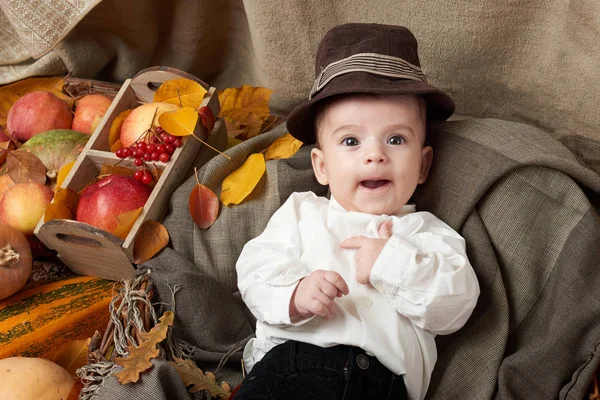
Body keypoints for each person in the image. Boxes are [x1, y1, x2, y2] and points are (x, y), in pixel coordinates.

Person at [234, 23, 480, 400]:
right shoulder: (302, 213)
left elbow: (456, 306)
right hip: (292, 368)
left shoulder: (427, 234)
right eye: (351, 140)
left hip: (383, 386)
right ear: (321, 167)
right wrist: (295, 295)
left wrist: (393, 264)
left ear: (423, 165)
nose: (375, 154)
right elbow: (254, 270)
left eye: (396, 139)